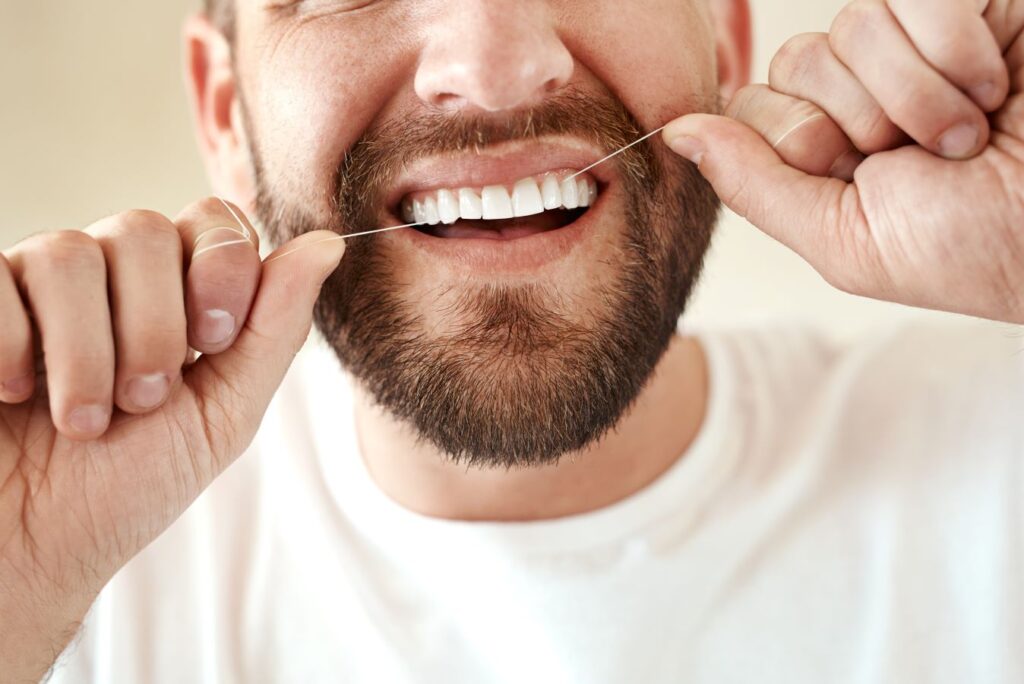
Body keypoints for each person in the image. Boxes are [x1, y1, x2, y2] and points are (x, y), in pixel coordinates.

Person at [1, 0, 1022, 681]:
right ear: (227, 110)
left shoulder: (994, 460)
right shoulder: (77, 588)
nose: (491, 69)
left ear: (724, 43)